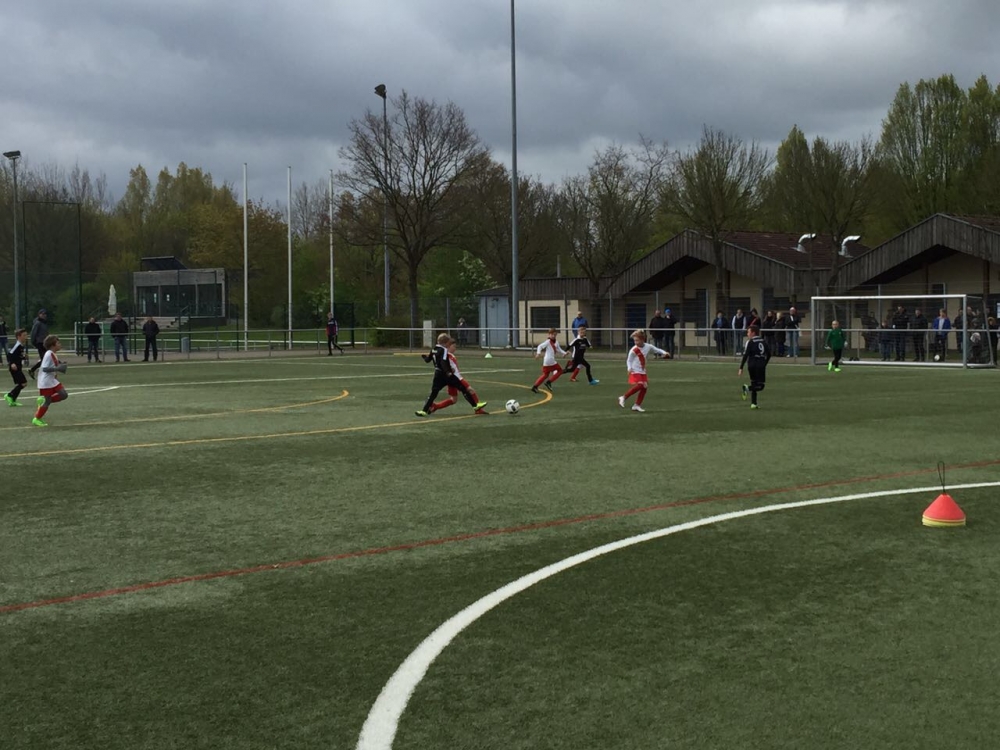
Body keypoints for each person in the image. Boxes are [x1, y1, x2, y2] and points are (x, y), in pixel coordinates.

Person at [415, 333, 486, 417]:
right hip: (447, 375)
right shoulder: (444, 350)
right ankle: (476, 407)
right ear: (446, 343)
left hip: (438, 374)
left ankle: (425, 410)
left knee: (436, 393)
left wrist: (424, 357)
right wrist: (448, 371)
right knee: (464, 389)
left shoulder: (434, 349)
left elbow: (428, 360)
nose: (454, 347)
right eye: (452, 345)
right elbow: (443, 362)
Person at [618, 329, 669, 413]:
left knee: (644, 387)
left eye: (637, 340)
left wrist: (664, 353)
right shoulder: (634, 350)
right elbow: (629, 360)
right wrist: (629, 368)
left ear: (643, 339)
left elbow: (657, 350)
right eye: (634, 340)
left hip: (642, 370)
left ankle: (636, 405)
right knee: (641, 385)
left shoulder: (648, 346)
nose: (635, 342)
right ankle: (623, 397)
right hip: (635, 370)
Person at [32, 334, 69, 427]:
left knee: (64, 395)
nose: (60, 344)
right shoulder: (48, 354)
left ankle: (44, 401)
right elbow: (44, 368)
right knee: (48, 401)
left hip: (51, 380)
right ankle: (37, 418)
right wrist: (57, 368)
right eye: (58, 343)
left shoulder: (52, 354)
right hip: (46, 381)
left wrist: (60, 364)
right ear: (53, 345)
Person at [738, 324, 771, 409]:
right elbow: (769, 354)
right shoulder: (763, 341)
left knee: (754, 383)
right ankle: (747, 388)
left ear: (753, 333)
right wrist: (764, 363)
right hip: (760, 365)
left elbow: (746, 355)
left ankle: (753, 403)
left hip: (751, 365)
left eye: (748, 332)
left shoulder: (750, 342)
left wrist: (741, 367)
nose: (747, 334)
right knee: (761, 386)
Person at [532, 328, 567, 393]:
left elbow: (559, 349)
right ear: (549, 334)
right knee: (560, 371)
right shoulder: (548, 342)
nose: (553, 336)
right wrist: (538, 353)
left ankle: (535, 386)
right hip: (549, 360)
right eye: (552, 334)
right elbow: (540, 346)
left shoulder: (556, 342)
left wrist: (564, 353)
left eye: (555, 335)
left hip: (547, 361)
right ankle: (549, 382)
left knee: (545, 375)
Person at [5, 328, 28, 407]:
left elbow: (17, 356)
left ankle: (12, 400)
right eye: (24, 335)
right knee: (23, 383)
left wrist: (23, 357)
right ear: (18, 336)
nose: (26, 337)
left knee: (22, 383)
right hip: (15, 368)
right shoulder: (17, 345)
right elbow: (9, 355)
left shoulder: (21, 346)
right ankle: (9, 395)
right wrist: (12, 363)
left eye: (26, 335)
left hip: (18, 367)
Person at [27, 308, 49, 379]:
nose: (44, 315)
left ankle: (33, 370)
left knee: (45, 359)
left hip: (44, 343)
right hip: (40, 343)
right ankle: (32, 370)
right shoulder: (38, 323)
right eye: (42, 314)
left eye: (45, 314)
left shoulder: (44, 323)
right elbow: (33, 333)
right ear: (39, 314)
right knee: (44, 359)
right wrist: (34, 342)